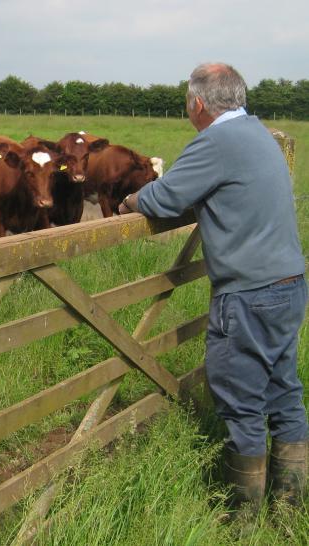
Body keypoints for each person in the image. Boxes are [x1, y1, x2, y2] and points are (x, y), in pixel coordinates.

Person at [119, 62, 306, 518]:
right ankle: (291, 503)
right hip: (288, 284)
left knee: (240, 397)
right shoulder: (258, 133)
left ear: (197, 104)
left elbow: (164, 198)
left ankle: (243, 517)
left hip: (249, 294)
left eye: (187, 104)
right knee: (283, 390)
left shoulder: (216, 141)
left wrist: (129, 201)